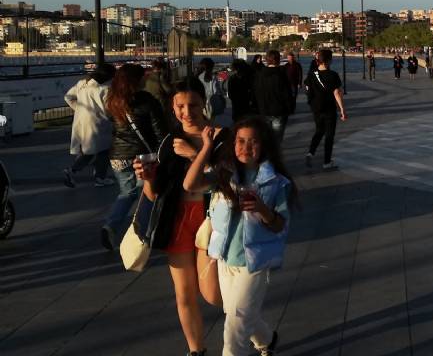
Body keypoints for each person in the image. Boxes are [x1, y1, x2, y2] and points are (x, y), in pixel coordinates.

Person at [183, 117, 295, 356]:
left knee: (234, 329)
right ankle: (267, 340)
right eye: (241, 141)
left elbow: (280, 226)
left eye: (253, 142)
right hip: (225, 260)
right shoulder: (224, 175)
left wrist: (262, 209)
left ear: (264, 146)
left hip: (253, 264)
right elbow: (189, 183)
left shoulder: (276, 182)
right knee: (237, 314)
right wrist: (206, 147)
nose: (246, 147)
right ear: (233, 144)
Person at [133, 78, 230, 356]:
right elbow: (154, 194)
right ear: (172, 107)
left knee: (213, 295)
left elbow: (230, 179)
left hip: (210, 219)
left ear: (204, 104)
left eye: (193, 105)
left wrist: (196, 154)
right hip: (177, 219)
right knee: (184, 294)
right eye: (180, 106)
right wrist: (148, 179)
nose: (187, 112)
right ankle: (196, 350)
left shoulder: (223, 137)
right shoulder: (169, 142)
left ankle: (254, 328)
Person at [102, 63, 167, 250]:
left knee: (126, 193)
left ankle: (110, 226)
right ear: (136, 80)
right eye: (143, 76)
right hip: (143, 156)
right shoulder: (146, 100)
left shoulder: (113, 100)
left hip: (117, 156)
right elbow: (159, 130)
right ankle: (143, 234)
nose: (146, 78)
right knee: (146, 195)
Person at [63, 63, 116, 188]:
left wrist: (79, 109)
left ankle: (87, 173)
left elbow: (68, 97)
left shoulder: (82, 83)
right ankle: (98, 177)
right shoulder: (106, 89)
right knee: (103, 150)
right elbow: (109, 109)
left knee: (88, 150)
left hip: (81, 120)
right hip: (99, 123)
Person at [304, 49, 347, 170]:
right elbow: (337, 93)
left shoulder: (312, 74)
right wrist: (342, 110)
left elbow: (307, 87)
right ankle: (327, 162)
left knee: (319, 130)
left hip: (316, 108)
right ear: (329, 60)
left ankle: (310, 153)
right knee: (329, 135)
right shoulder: (333, 75)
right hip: (329, 108)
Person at [254, 50, 294, 144]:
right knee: (276, 141)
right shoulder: (281, 75)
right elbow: (287, 95)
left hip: (264, 111)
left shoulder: (259, 75)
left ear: (267, 60)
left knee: (265, 140)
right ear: (278, 60)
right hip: (278, 112)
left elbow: (256, 93)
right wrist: (290, 109)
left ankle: (266, 157)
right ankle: (274, 157)